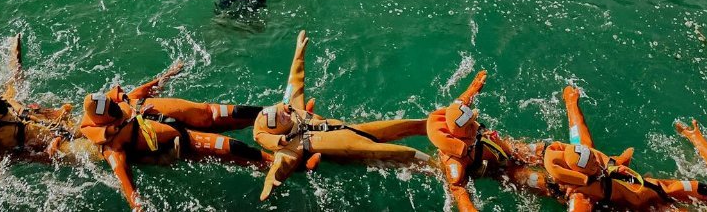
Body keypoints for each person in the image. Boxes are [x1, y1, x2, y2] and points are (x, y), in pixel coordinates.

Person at [255, 31, 431, 202]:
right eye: (278, 119)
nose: (283, 114)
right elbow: (279, 167)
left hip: (355, 130)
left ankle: (438, 128)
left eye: (278, 111)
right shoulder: (289, 149)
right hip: (358, 152)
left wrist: (299, 53)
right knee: (411, 156)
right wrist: (270, 184)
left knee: (411, 125)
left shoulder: (292, 110)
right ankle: (439, 167)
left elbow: (294, 81)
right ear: (276, 131)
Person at [78, 62, 267, 211]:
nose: (115, 107)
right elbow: (125, 181)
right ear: (103, 118)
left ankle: (275, 116)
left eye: (112, 103)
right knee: (230, 147)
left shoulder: (123, 102)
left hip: (177, 117)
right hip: (181, 141)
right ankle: (275, 162)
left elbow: (147, 89)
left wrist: (169, 74)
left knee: (216, 113)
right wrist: (138, 206)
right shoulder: (112, 146)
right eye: (111, 109)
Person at [0, 34, 93, 211]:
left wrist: (15, 51)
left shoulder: (4, 102)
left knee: (98, 121)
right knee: (96, 152)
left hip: (56, 125)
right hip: (53, 145)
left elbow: (15, 76)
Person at [536, 86, 707, 211]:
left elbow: (578, 133)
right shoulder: (580, 196)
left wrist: (571, 102)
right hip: (649, 207)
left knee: (696, 190)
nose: (598, 163)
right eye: (594, 165)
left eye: (595, 160)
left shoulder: (585, 156)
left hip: (656, 186)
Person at [426, 70, 543, 211]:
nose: (474, 125)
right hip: (496, 168)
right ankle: (559, 190)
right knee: (538, 181)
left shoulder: (458, 115)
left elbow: (464, 100)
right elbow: (458, 190)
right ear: (461, 132)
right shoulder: (454, 160)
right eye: (470, 125)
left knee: (539, 150)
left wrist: (475, 87)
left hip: (503, 148)